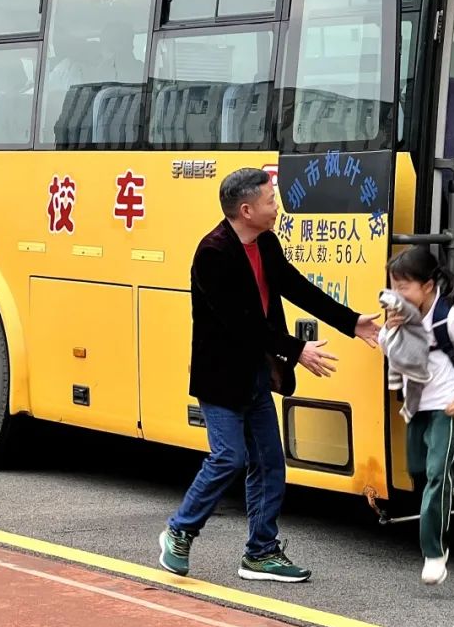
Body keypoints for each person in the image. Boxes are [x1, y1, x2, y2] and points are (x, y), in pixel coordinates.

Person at [158, 167, 381, 583]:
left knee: (270, 464)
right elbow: (241, 325)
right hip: (221, 377)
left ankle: (260, 552)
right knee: (229, 457)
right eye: (269, 201)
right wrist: (298, 350)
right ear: (246, 209)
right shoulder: (213, 254)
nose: (276, 206)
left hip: (256, 374)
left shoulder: (266, 243)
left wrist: (351, 323)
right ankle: (180, 530)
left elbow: (298, 287)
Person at [379, 246, 454, 586]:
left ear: (427, 286)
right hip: (417, 404)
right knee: (418, 468)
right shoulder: (401, 317)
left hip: (446, 403)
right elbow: (389, 349)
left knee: (436, 476)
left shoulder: (448, 318)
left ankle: (434, 552)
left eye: (404, 287)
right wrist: (390, 330)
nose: (397, 294)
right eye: (394, 287)